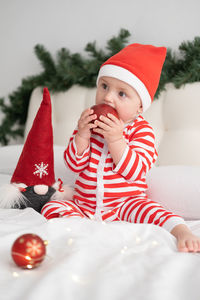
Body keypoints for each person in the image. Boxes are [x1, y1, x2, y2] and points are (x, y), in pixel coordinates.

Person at [41, 43, 200, 253]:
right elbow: (73, 164)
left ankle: (182, 231)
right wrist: (81, 135)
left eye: (122, 94)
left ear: (140, 106)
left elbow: (136, 171)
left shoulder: (142, 130)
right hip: (85, 203)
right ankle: (80, 232)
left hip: (125, 202)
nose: (107, 97)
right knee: (50, 207)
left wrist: (116, 140)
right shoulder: (89, 122)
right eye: (104, 86)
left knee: (153, 210)